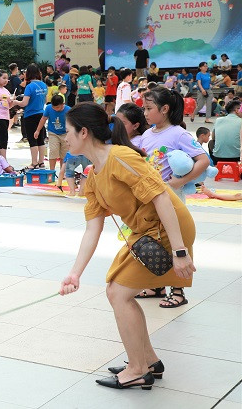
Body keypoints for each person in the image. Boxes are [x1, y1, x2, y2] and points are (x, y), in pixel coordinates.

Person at [59, 102, 195, 391]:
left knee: (120, 294)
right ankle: (149, 361)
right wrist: (75, 273)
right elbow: (92, 227)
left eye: (67, 131)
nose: (64, 136)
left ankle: (137, 369)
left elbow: (161, 197)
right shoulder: (93, 175)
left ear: (83, 132)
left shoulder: (120, 157)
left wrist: (179, 251)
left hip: (168, 229)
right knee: (115, 290)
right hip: (144, 231)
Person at [135, 87, 208, 309]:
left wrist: (178, 182)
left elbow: (203, 160)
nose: (145, 113)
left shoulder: (179, 133)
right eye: (143, 108)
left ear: (165, 109)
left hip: (171, 196)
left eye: (148, 108)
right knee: (154, 238)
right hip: (150, 197)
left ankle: (178, 290)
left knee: (176, 238)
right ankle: (158, 285)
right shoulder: (147, 134)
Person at [13, 64, 49, 168]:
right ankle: (41, 162)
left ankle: (34, 162)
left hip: (30, 115)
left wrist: (15, 102)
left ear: (28, 73)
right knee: (40, 138)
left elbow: (24, 103)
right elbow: (46, 100)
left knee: (32, 140)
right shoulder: (43, 85)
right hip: (41, 114)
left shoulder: (29, 86)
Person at [34, 94, 69, 172]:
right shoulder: (49, 108)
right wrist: (38, 130)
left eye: (57, 107)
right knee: (53, 150)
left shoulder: (68, 110)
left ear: (63, 104)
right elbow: (43, 119)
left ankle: (62, 172)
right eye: (54, 107)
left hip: (65, 134)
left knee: (64, 153)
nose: (55, 109)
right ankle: (51, 171)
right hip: (53, 132)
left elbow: (72, 123)